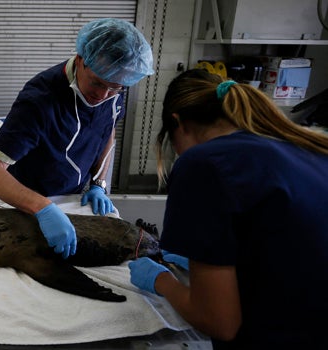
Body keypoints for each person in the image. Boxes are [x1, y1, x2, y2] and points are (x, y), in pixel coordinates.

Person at [128, 69, 328, 348]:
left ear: (177, 123)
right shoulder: (307, 147)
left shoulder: (204, 163)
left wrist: (161, 281)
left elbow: (218, 321)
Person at [0, 18, 154, 259]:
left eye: (114, 88)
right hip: (28, 205)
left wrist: (99, 185)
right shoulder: (40, 100)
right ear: (81, 59)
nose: (103, 95)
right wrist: (43, 208)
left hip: (74, 199)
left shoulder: (114, 86)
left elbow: (107, 128)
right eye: (97, 83)